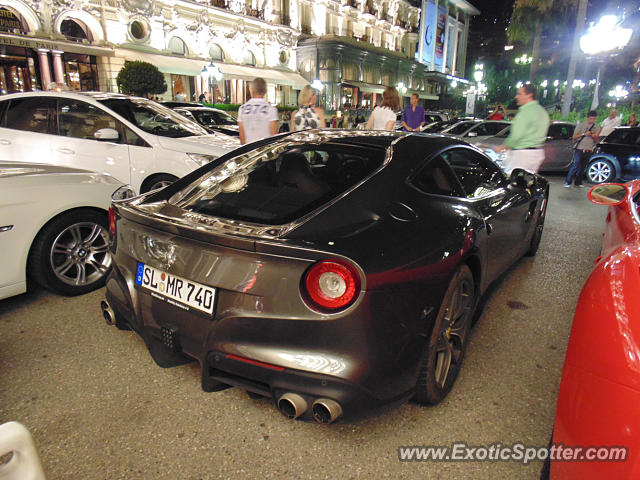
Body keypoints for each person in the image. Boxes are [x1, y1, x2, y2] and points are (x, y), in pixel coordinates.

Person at [494, 84, 550, 174]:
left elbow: (517, 135)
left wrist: (503, 146)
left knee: (512, 182)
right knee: (527, 182)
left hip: (522, 155)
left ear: (529, 95)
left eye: (519, 94)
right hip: (537, 153)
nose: (516, 96)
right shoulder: (542, 111)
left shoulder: (525, 112)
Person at [237, 77, 279, 145]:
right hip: (264, 151)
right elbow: (273, 136)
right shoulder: (271, 110)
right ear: (265, 91)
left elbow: (242, 136)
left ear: (252, 90)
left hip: (248, 150)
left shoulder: (242, 109)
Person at [564, 110, 600, 188]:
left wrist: (594, 136)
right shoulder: (581, 125)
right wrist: (584, 134)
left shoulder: (596, 127)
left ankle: (578, 182)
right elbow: (574, 136)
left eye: (594, 119)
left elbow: (597, 139)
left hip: (589, 149)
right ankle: (568, 181)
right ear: (587, 118)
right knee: (575, 165)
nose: (592, 120)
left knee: (583, 166)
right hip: (579, 148)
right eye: (590, 118)